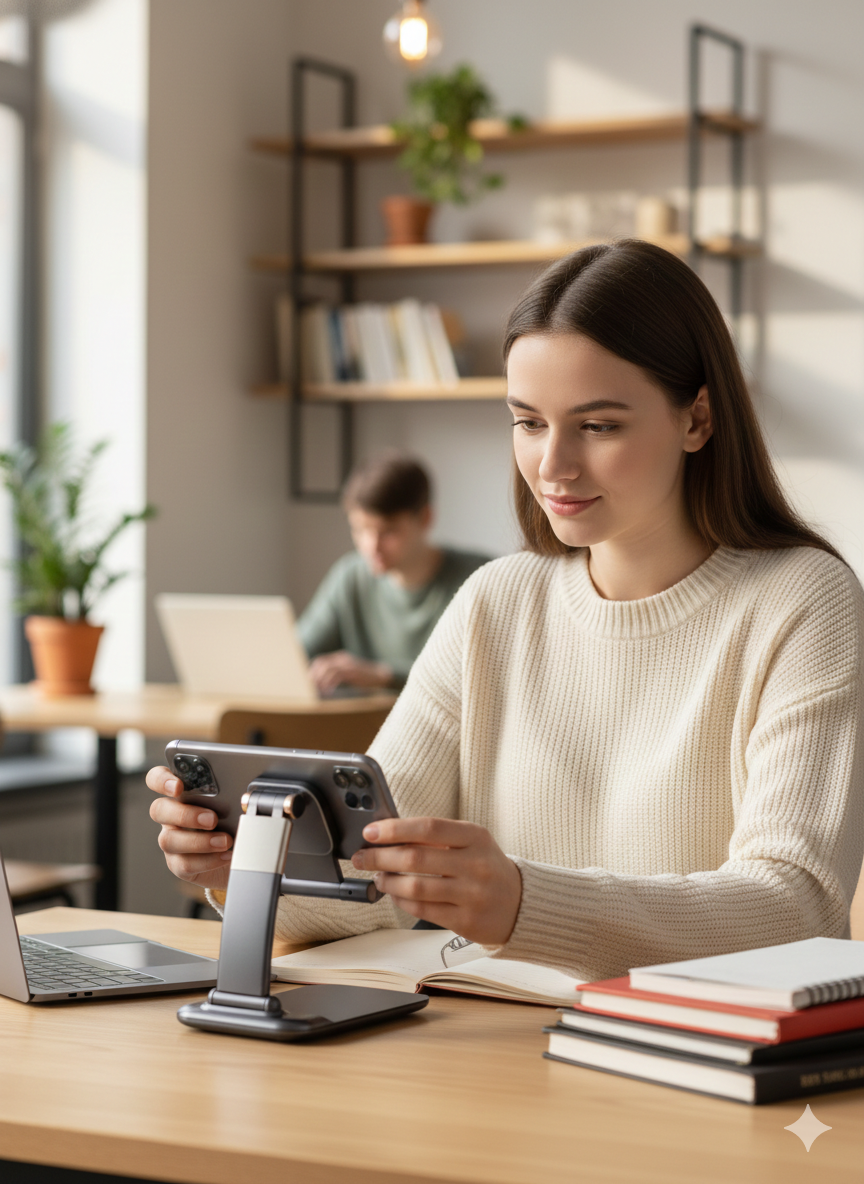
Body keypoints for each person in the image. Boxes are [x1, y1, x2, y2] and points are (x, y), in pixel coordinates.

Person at [149, 240, 864, 983]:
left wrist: (525, 904)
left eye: (598, 425)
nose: (553, 465)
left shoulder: (804, 601)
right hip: (508, 1054)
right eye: (528, 421)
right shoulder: (496, 602)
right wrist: (247, 862)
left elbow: (797, 908)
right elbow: (367, 882)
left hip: (704, 1070)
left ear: (697, 419)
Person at [296, 452, 491, 693]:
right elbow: (297, 652)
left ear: (425, 518)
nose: (371, 547)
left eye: (387, 532)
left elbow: (480, 676)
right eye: (360, 530)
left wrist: (383, 675)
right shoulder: (350, 576)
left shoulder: (480, 579)